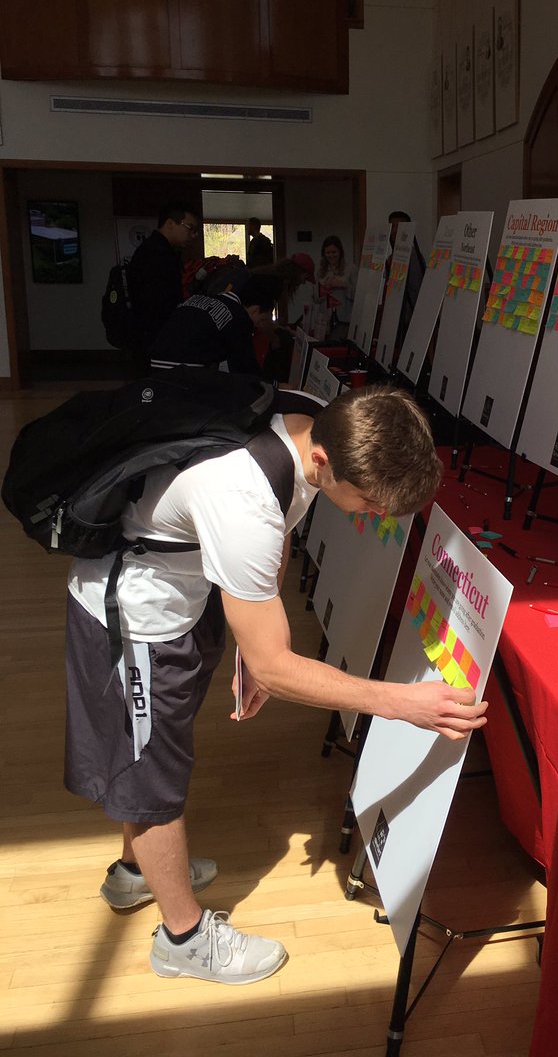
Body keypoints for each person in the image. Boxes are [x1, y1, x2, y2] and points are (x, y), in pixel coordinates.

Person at [64, 385, 482, 985]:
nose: (368, 514)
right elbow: (275, 650)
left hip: (188, 593)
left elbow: (279, 528)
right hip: (135, 617)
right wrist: (398, 702)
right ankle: (181, 939)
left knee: (161, 753)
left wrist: (253, 648)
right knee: (149, 773)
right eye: (365, 501)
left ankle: (137, 873)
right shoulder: (242, 500)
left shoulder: (310, 419)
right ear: (324, 461)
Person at [149, 275, 280, 375]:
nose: (258, 326)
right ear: (255, 310)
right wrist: (275, 386)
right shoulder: (238, 316)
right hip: (181, 373)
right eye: (262, 319)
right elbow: (245, 368)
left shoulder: (204, 298)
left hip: (154, 364)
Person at [126, 201, 200, 367]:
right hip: (154, 338)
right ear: (170, 223)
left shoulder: (160, 250)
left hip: (151, 336)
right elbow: (159, 304)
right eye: (190, 228)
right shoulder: (156, 254)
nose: (194, 235)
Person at [316, 234, 355, 342]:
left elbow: (357, 295)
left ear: (340, 252)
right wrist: (324, 289)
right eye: (328, 252)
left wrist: (343, 285)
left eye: (334, 252)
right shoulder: (320, 271)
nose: (331, 255)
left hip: (344, 319)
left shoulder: (351, 269)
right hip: (324, 321)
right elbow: (315, 299)